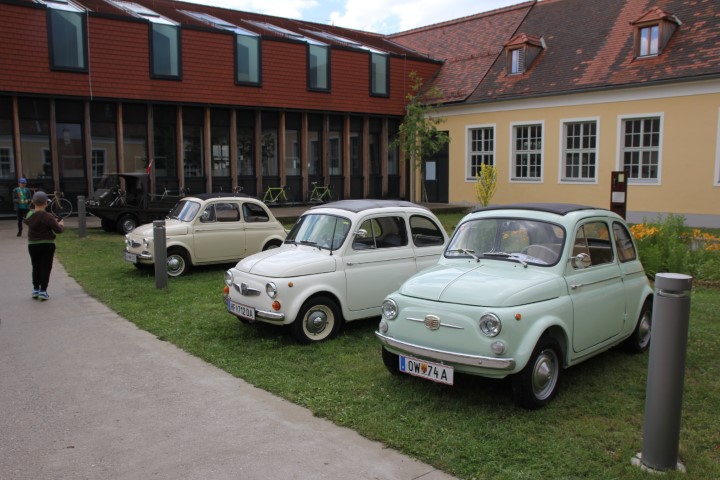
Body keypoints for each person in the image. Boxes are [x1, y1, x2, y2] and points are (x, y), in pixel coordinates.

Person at [24, 191, 64, 301]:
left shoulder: (29, 215)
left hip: (32, 245)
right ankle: (43, 291)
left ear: (33, 202)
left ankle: (35, 289)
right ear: (46, 202)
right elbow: (58, 230)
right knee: (45, 267)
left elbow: (35, 220)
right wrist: (60, 224)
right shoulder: (48, 216)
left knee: (36, 266)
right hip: (47, 244)